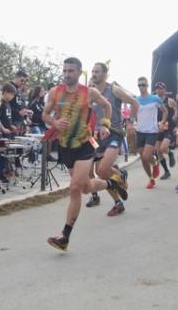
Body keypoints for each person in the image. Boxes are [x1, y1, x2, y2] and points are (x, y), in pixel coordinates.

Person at [43, 57, 127, 251]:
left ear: (79, 73)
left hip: (85, 145)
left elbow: (107, 106)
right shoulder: (55, 92)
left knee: (74, 188)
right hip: (65, 146)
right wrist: (54, 122)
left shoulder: (89, 92)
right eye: (64, 70)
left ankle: (65, 236)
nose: (66, 74)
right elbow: (45, 115)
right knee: (86, 188)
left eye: (71, 71)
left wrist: (104, 125)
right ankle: (113, 183)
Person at [85, 62, 138, 216]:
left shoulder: (113, 89)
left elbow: (134, 102)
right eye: (92, 71)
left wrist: (130, 122)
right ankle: (118, 202)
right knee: (100, 173)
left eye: (97, 72)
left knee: (103, 169)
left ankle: (121, 175)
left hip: (114, 133)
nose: (94, 74)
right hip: (95, 137)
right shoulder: (91, 93)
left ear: (105, 74)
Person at [135, 76, 166, 189]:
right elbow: (134, 114)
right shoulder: (136, 100)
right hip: (139, 131)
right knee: (143, 158)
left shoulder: (155, 99)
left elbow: (165, 111)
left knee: (146, 156)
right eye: (139, 85)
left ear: (147, 86)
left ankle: (155, 163)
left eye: (143, 85)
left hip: (152, 131)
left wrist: (162, 122)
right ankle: (151, 179)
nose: (141, 87)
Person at [154, 81, 178, 180]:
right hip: (158, 128)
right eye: (157, 88)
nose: (159, 90)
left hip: (169, 128)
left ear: (165, 90)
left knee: (163, 148)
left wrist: (175, 118)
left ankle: (170, 153)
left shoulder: (169, 101)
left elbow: (177, 110)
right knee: (158, 152)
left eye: (161, 88)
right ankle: (166, 172)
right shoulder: (154, 100)